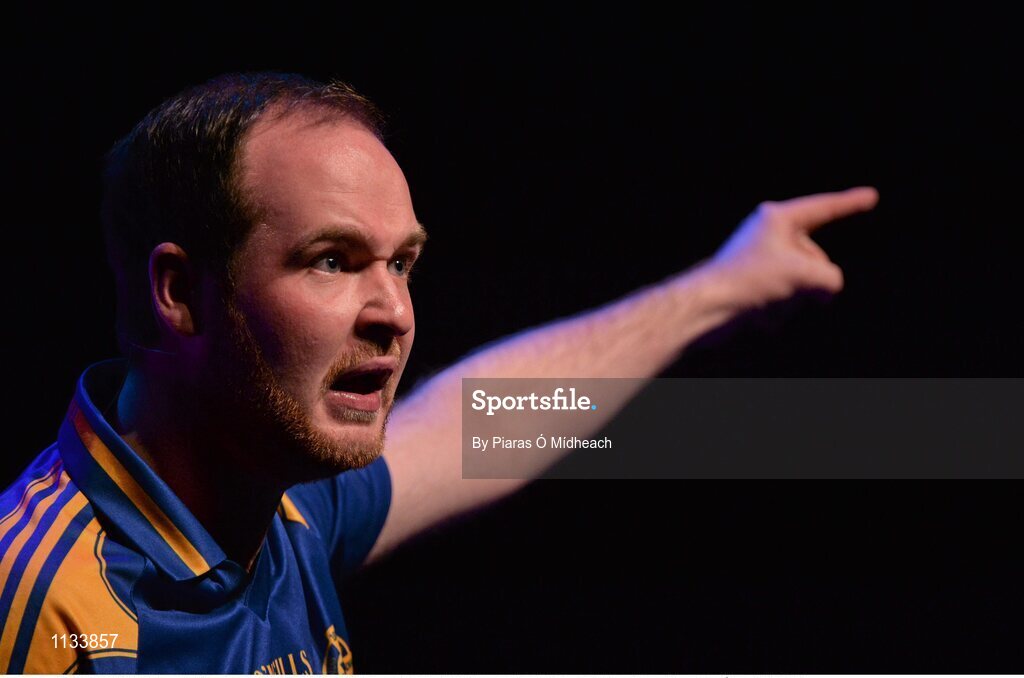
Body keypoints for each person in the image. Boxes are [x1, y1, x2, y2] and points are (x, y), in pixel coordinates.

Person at [0, 71, 879, 673]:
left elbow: (480, 421)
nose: (395, 312)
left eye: (402, 264)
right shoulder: (49, 617)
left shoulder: (284, 493)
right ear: (181, 292)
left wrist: (722, 286)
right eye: (333, 261)